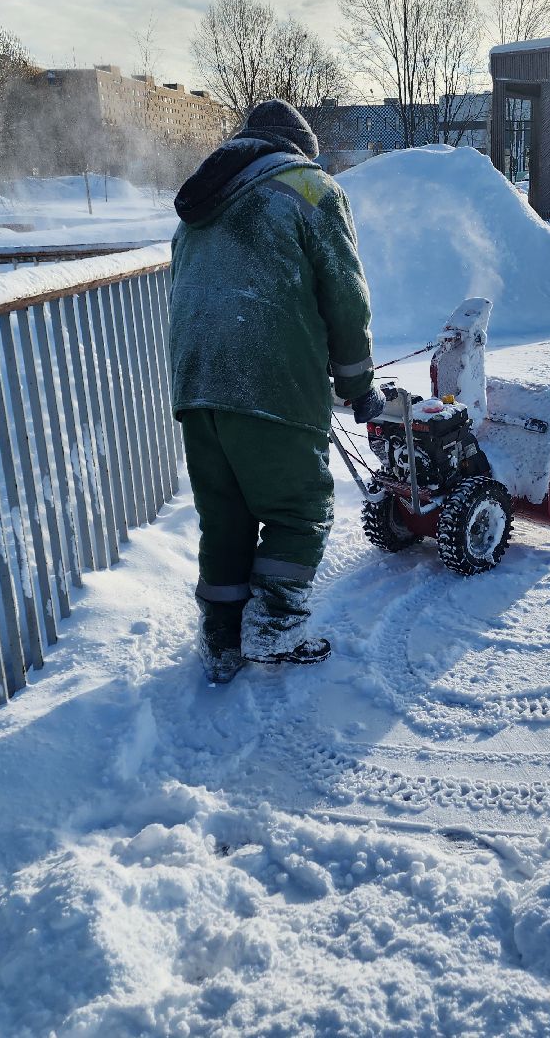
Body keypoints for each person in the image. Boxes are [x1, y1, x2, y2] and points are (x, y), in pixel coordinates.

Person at [169, 99, 384, 684]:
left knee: (225, 517)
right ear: (298, 147)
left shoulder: (199, 204)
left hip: (196, 383)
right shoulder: (310, 187)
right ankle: (275, 625)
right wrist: (357, 383)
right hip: (270, 378)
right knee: (299, 507)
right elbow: (345, 295)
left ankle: (221, 638)